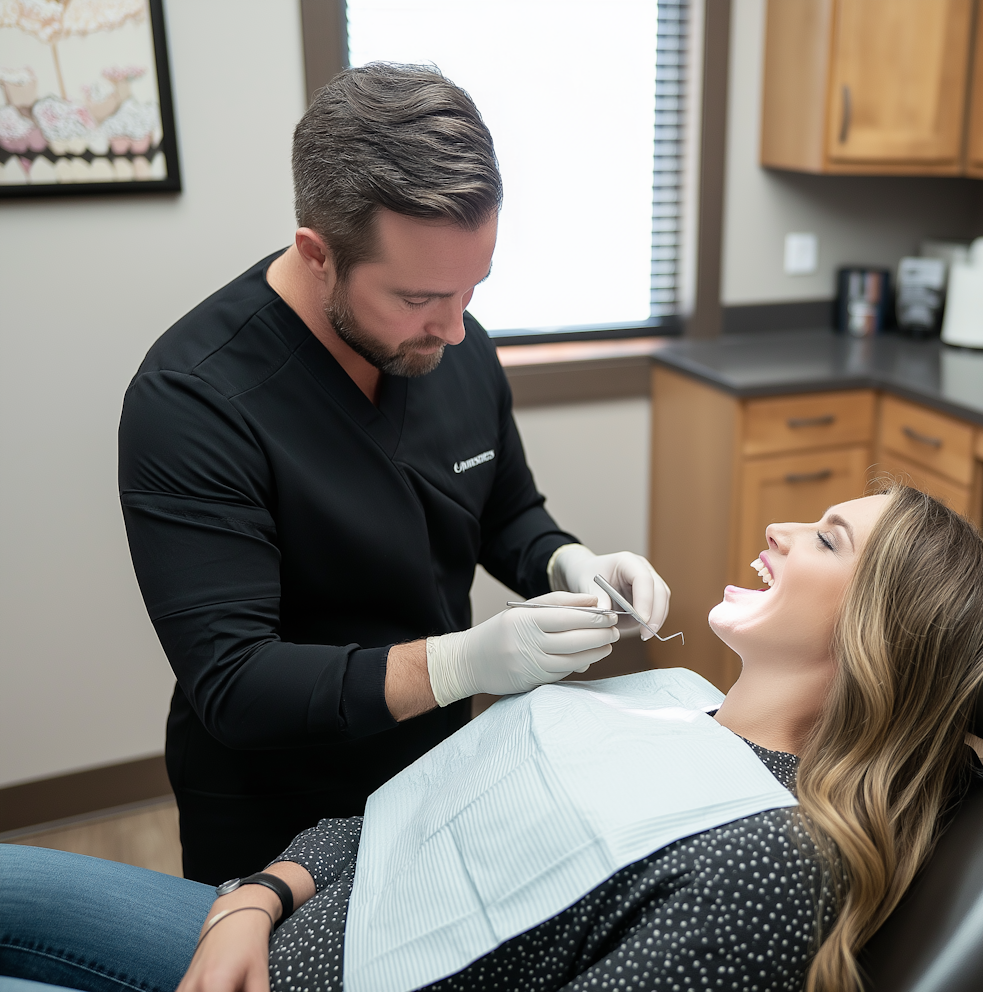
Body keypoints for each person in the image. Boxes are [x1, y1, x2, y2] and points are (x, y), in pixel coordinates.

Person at [0, 487, 983, 992]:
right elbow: (395, 821)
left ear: (875, 631)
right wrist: (251, 902)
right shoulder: (668, 698)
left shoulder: (765, 861)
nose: (784, 529)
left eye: (829, 537)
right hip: (262, 929)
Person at [116, 62, 670, 884]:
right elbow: (236, 683)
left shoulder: (456, 339)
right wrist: (461, 664)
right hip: (277, 802)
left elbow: (507, 510)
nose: (453, 329)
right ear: (318, 254)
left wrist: (569, 561)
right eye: (418, 298)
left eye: (472, 288)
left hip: (437, 770)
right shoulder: (192, 400)